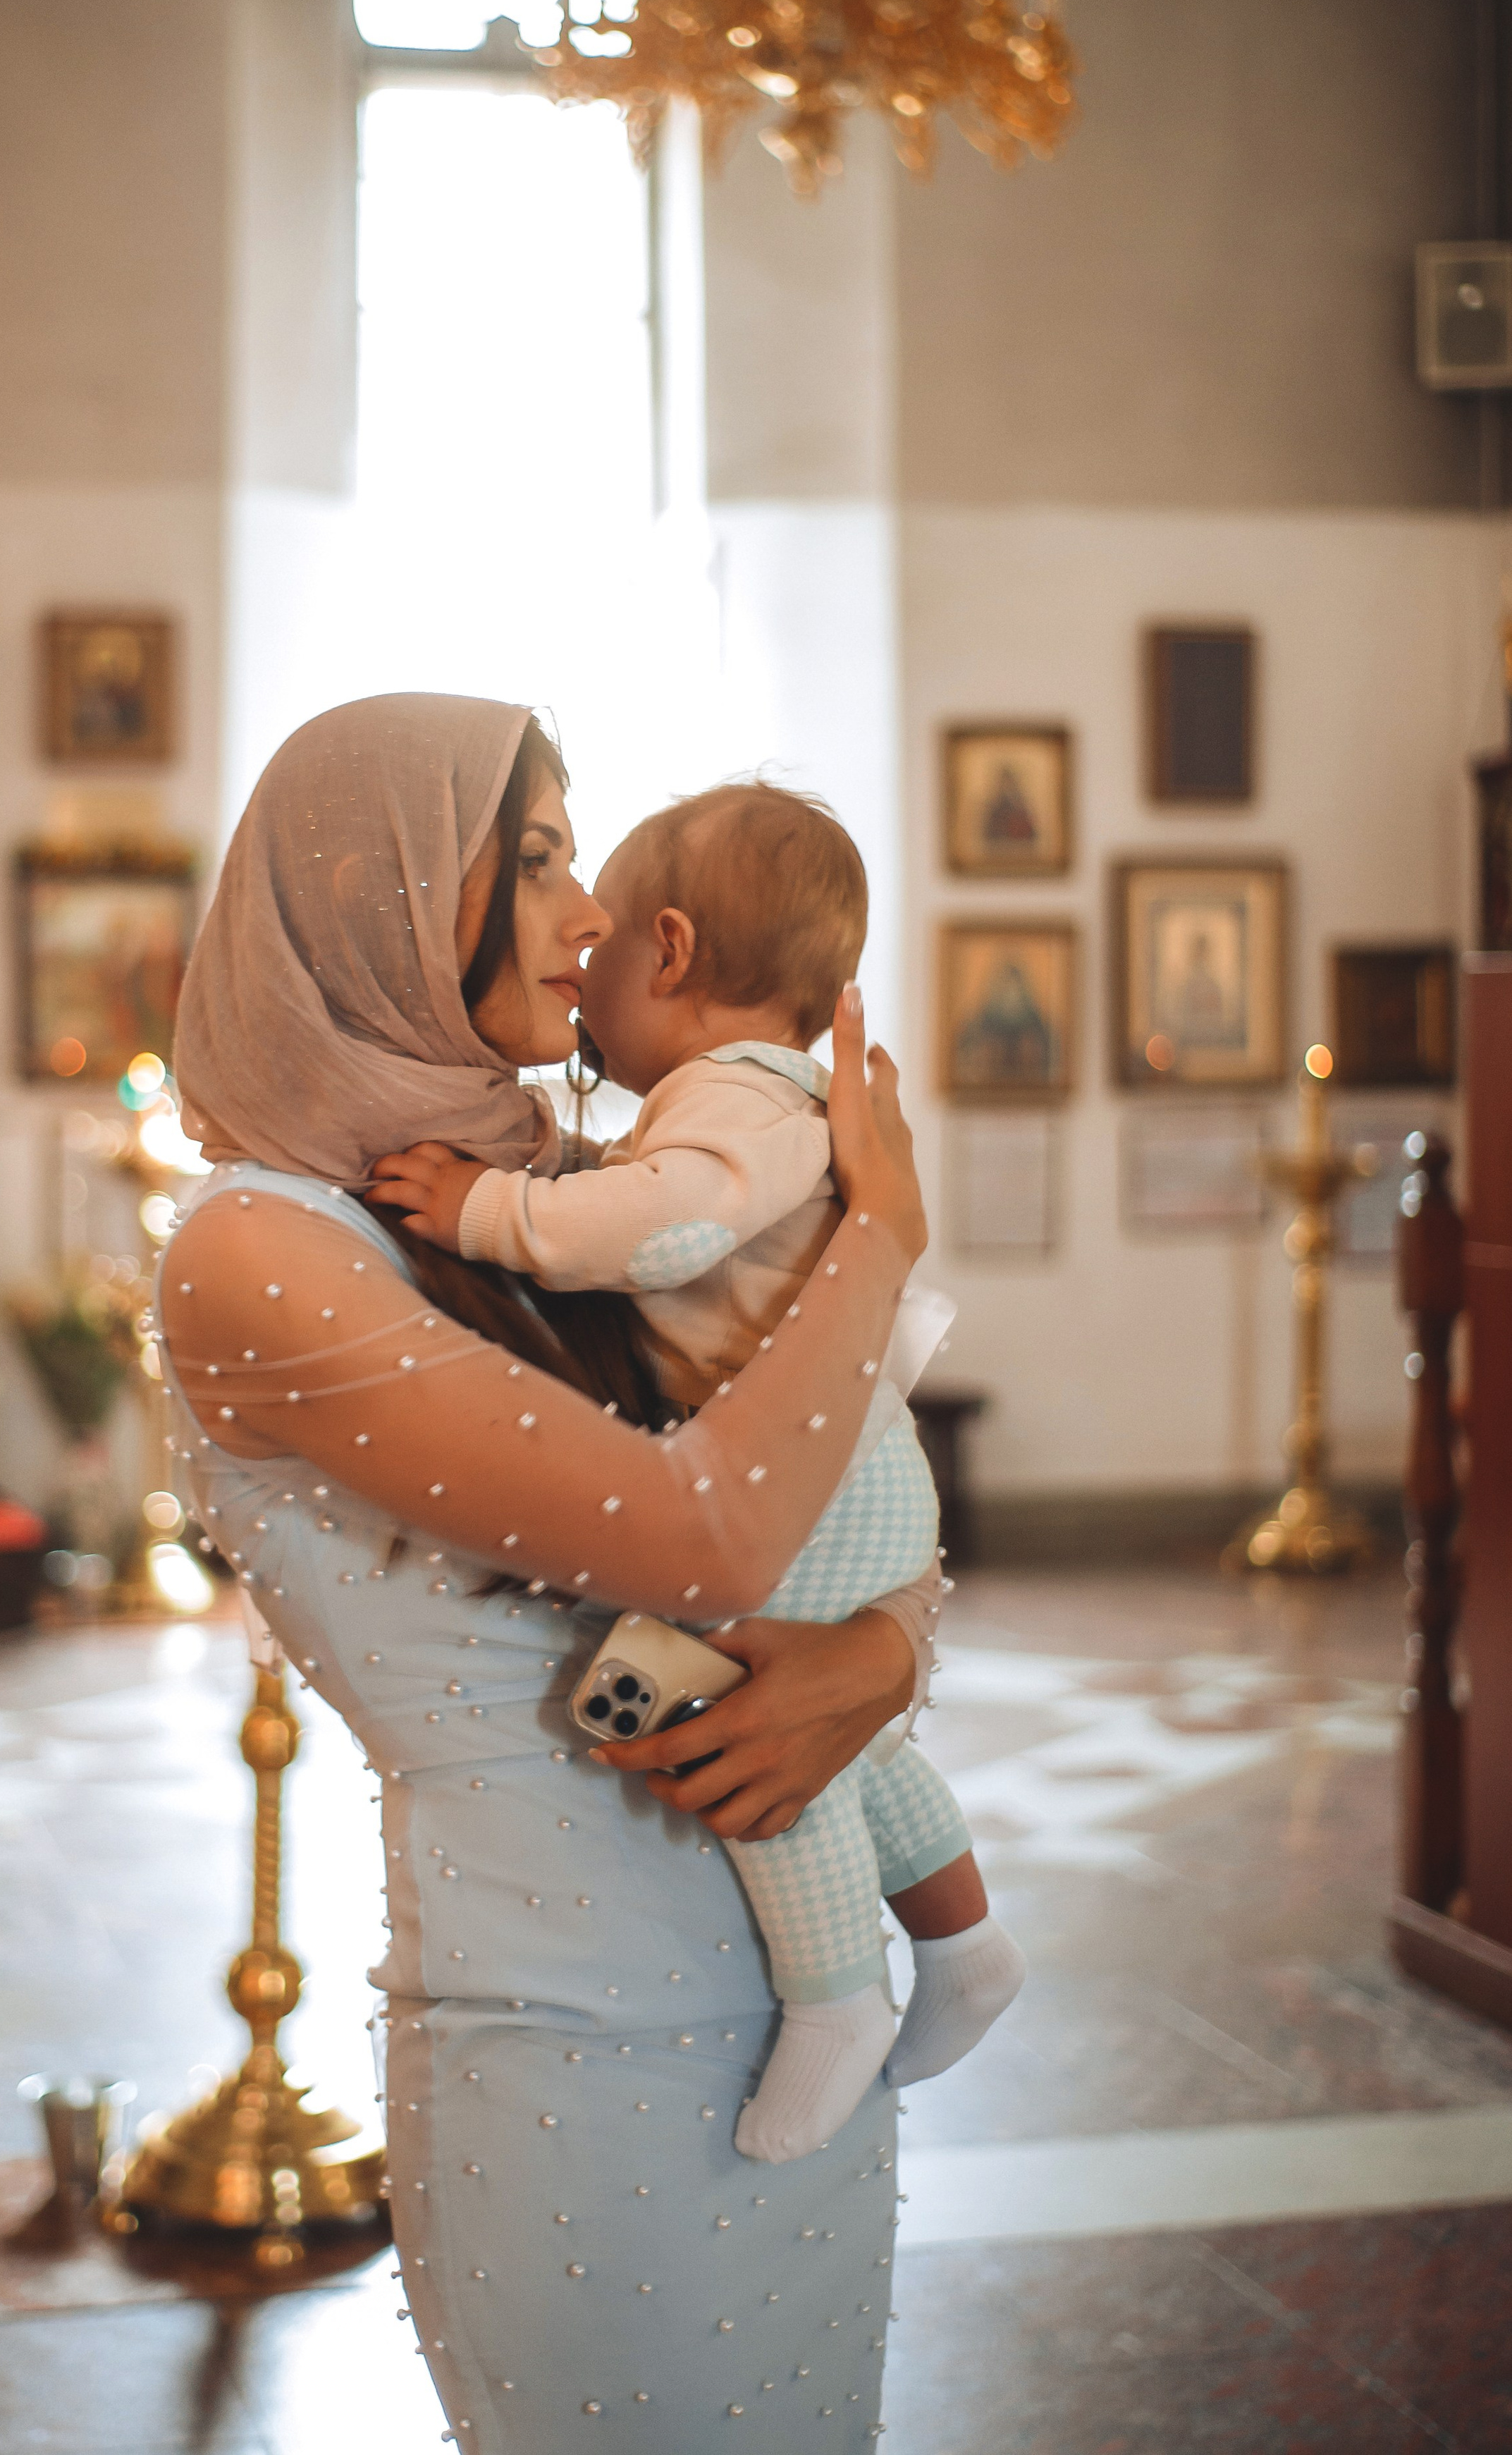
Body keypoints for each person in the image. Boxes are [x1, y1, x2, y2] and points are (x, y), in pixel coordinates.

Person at [159, 694, 933, 2453]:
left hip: (793, 1984)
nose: (589, 915)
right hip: (576, 2042)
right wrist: (877, 1239)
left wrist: (879, 1660)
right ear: (375, 896)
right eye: (534, 860)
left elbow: (829, 1499)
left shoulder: (553, 1193)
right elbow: (705, 1531)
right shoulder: (256, 1248)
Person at [371, 782, 1025, 2167]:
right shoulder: (759, 1097)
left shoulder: (731, 1099)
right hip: (847, 1463)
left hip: (815, 1478)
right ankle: (963, 1945)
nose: (581, 939)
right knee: (857, 1738)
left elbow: (664, 1230)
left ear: (667, 952)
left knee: (737, 1719)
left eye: (602, 925)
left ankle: (836, 1998)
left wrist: (485, 1208)